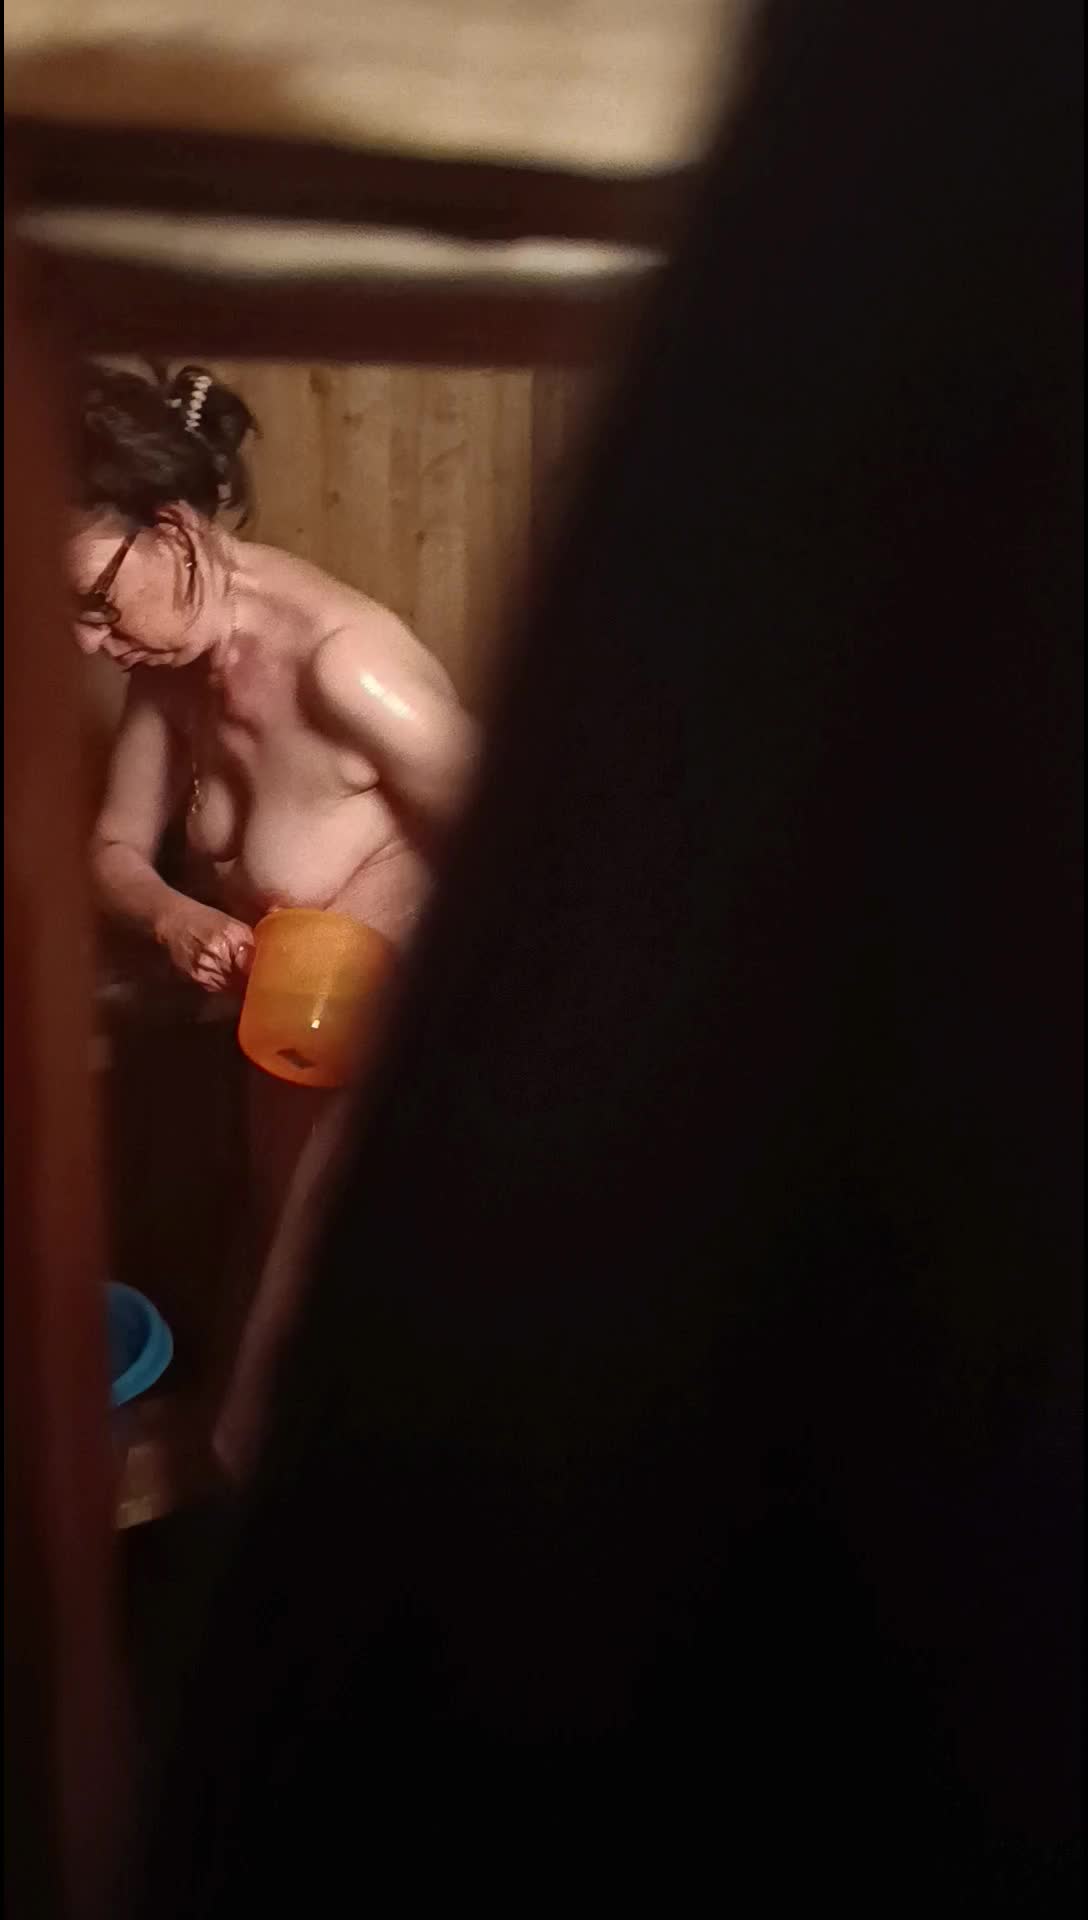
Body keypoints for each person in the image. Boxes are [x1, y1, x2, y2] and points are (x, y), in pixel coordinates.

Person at [71, 361, 477, 987]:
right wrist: (173, 916)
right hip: (271, 1025)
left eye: (98, 599)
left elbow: (537, 848)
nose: (85, 639)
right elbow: (113, 849)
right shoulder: (165, 669)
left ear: (174, 532)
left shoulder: (346, 670)